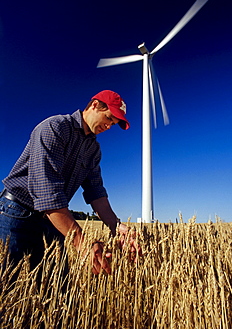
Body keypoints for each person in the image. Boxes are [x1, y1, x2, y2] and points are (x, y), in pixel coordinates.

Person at [0, 90, 138, 274]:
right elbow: (47, 193)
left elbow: (96, 192)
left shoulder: (93, 149)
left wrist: (116, 226)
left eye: (113, 124)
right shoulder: (54, 128)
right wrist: (83, 244)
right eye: (109, 118)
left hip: (53, 219)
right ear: (95, 105)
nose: (109, 126)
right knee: (8, 283)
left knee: (58, 287)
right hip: (18, 213)